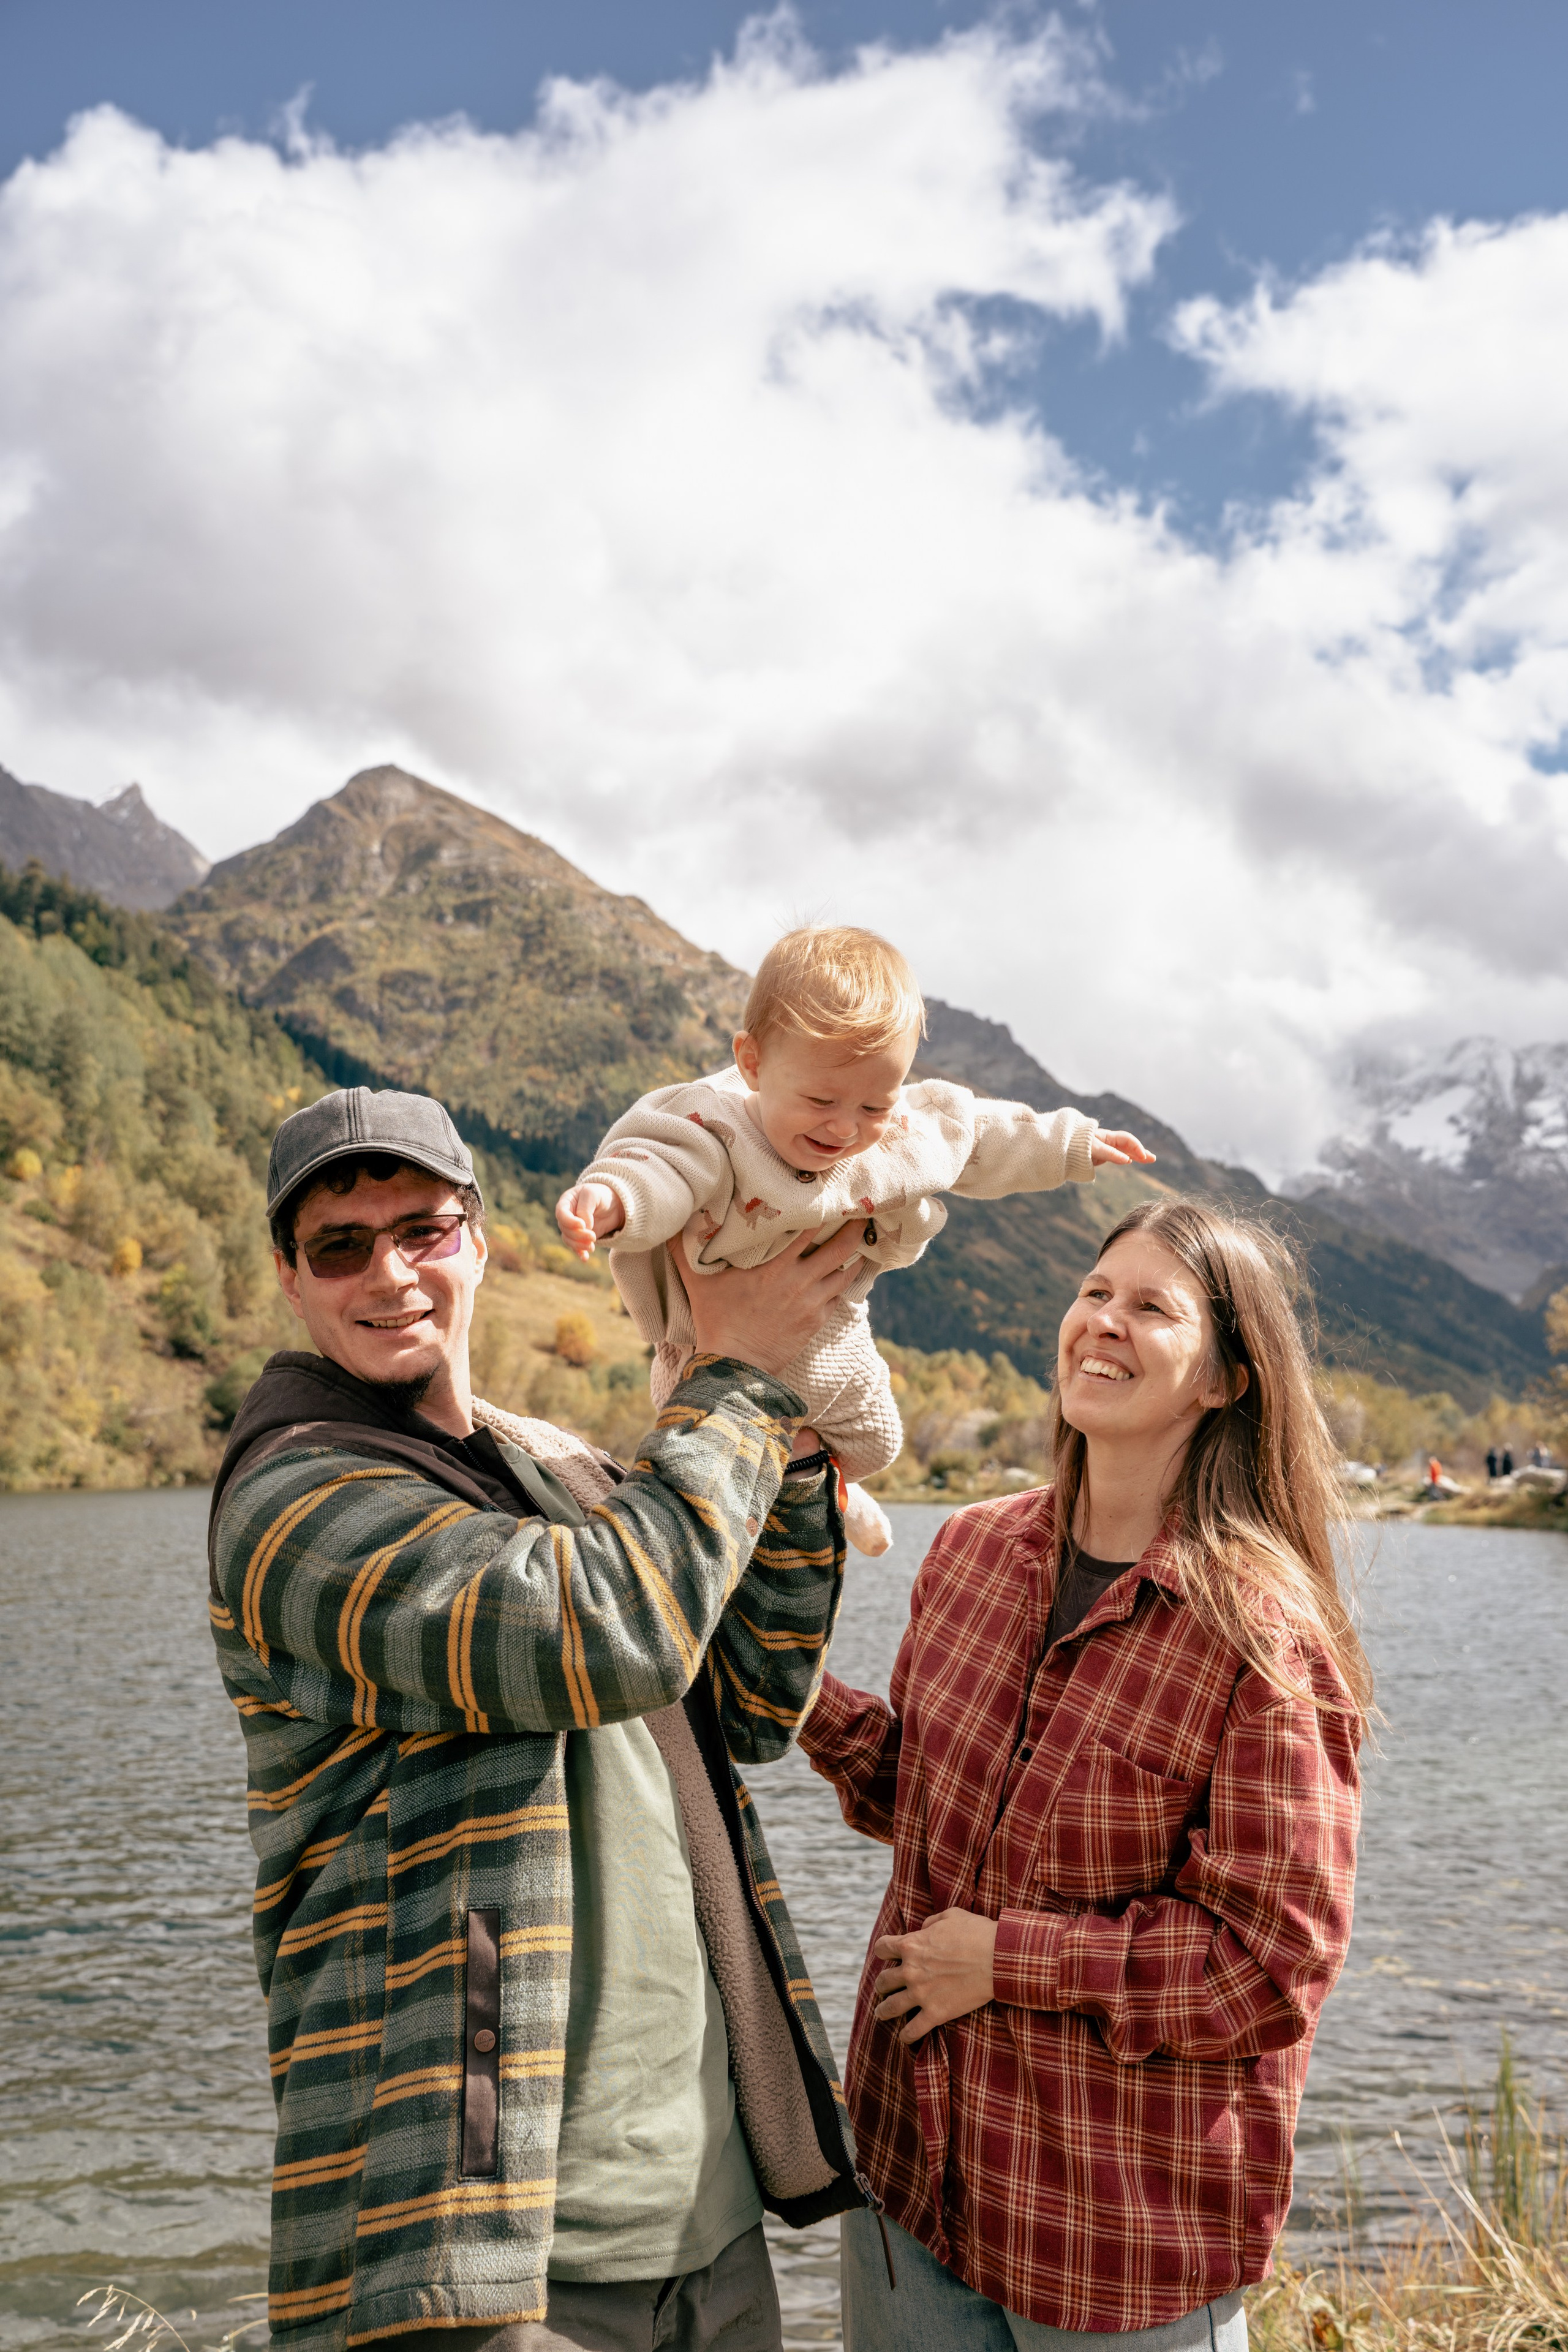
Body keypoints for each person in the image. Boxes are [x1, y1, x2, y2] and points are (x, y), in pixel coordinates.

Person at [208, 1086, 872, 2352]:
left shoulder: (549, 1460)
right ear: (291, 1279)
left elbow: (746, 1701)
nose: (387, 1272)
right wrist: (733, 1379)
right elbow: (607, 1630)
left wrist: (777, 1433)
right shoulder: (292, 1503)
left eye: (422, 1228)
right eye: (340, 1245)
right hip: (494, 2246)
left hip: (707, 2213)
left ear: (480, 1242)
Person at [797, 1197, 1370, 2351]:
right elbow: (933, 1806)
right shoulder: (972, 1551)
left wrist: (1004, 1961)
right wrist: (805, 1703)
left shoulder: (1265, 1634)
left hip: (1120, 2247)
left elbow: (1268, 1968)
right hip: (914, 2184)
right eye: (1094, 1294)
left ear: (1225, 1379)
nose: (1102, 1323)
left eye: (1150, 1308)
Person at [555, 927, 1152, 1551]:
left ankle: (823, 1484)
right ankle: (745, 1524)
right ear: (752, 1063)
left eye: (874, 1107)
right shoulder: (716, 1127)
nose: (844, 1127)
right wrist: (612, 1200)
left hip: (831, 1328)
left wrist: (1073, 1144)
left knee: (877, 1439)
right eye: (820, 1099)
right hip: (706, 1343)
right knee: (699, 1448)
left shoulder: (899, 1128)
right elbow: (660, 1167)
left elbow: (977, 1136)